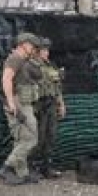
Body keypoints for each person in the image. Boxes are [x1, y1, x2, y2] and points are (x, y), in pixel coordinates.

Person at [0, 32, 43, 185]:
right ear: (23, 44)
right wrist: (11, 103)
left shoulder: (24, 60)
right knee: (30, 138)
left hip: (24, 103)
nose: (33, 49)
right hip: (18, 104)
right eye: (32, 45)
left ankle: (22, 173)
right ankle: (7, 167)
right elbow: (6, 79)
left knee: (23, 138)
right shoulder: (15, 58)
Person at [31, 36, 67, 179]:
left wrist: (61, 103)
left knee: (50, 136)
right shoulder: (32, 66)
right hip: (38, 104)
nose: (46, 53)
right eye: (43, 50)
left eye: (47, 50)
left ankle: (46, 166)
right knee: (38, 137)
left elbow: (56, 86)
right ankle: (32, 166)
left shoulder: (51, 66)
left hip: (51, 103)